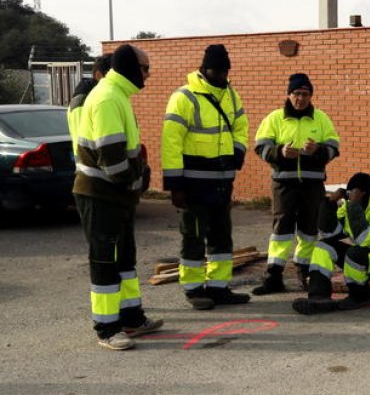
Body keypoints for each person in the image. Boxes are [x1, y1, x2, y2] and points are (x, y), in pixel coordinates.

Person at [71, 44, 162, 350]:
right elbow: (112, 160)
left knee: (124, 258)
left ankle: (132, 318)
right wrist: (137, 180)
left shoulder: (117, 94)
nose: (148, 75)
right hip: (101, 194)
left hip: (116, 195)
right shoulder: (108, 97)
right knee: (104, 260)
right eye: (146, 68)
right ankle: (107, 328)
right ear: (131, 67)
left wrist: (136, 180)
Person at [162, 44, 251, 310]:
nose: (221, 76)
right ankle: (193, 289)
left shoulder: (231, 96)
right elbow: (171, 143)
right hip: (193, 183)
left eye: (225, 71)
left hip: (222, 181)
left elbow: (241, 128)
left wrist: (237, 153)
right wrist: (175, 185)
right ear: (203, 68)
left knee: (222, 236)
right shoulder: (184, 97)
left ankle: (218, 287)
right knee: (193, 236)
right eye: (216, 70)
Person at [250, 73, 341, 295]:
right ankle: (274, 276)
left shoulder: (321, 118)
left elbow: (334, 147)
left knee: (309, 229)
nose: (301, 98)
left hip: (312, 185)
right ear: (289, 94)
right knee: (281, 230)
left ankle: (304, 273)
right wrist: (279, 152)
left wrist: (317, 150)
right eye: (297, 93)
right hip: (284, 185)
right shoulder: (274, 118)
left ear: (311, 96)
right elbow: (261, 147)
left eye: (305, 94)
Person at [292, 172, 370, 315]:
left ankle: (360, 296)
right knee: (323, 246)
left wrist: (355, 205)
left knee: (355, 254)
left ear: (362, 194)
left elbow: (363, 239)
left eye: (352, 195)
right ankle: (319, 297)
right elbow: (329, 233)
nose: (349, 199)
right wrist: (330, 204)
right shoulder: (353, 205)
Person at [66, 53, 111, 142]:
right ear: (99, 75)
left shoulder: (98, 97)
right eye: (113, 75)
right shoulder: (82, 102)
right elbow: (85, 140)